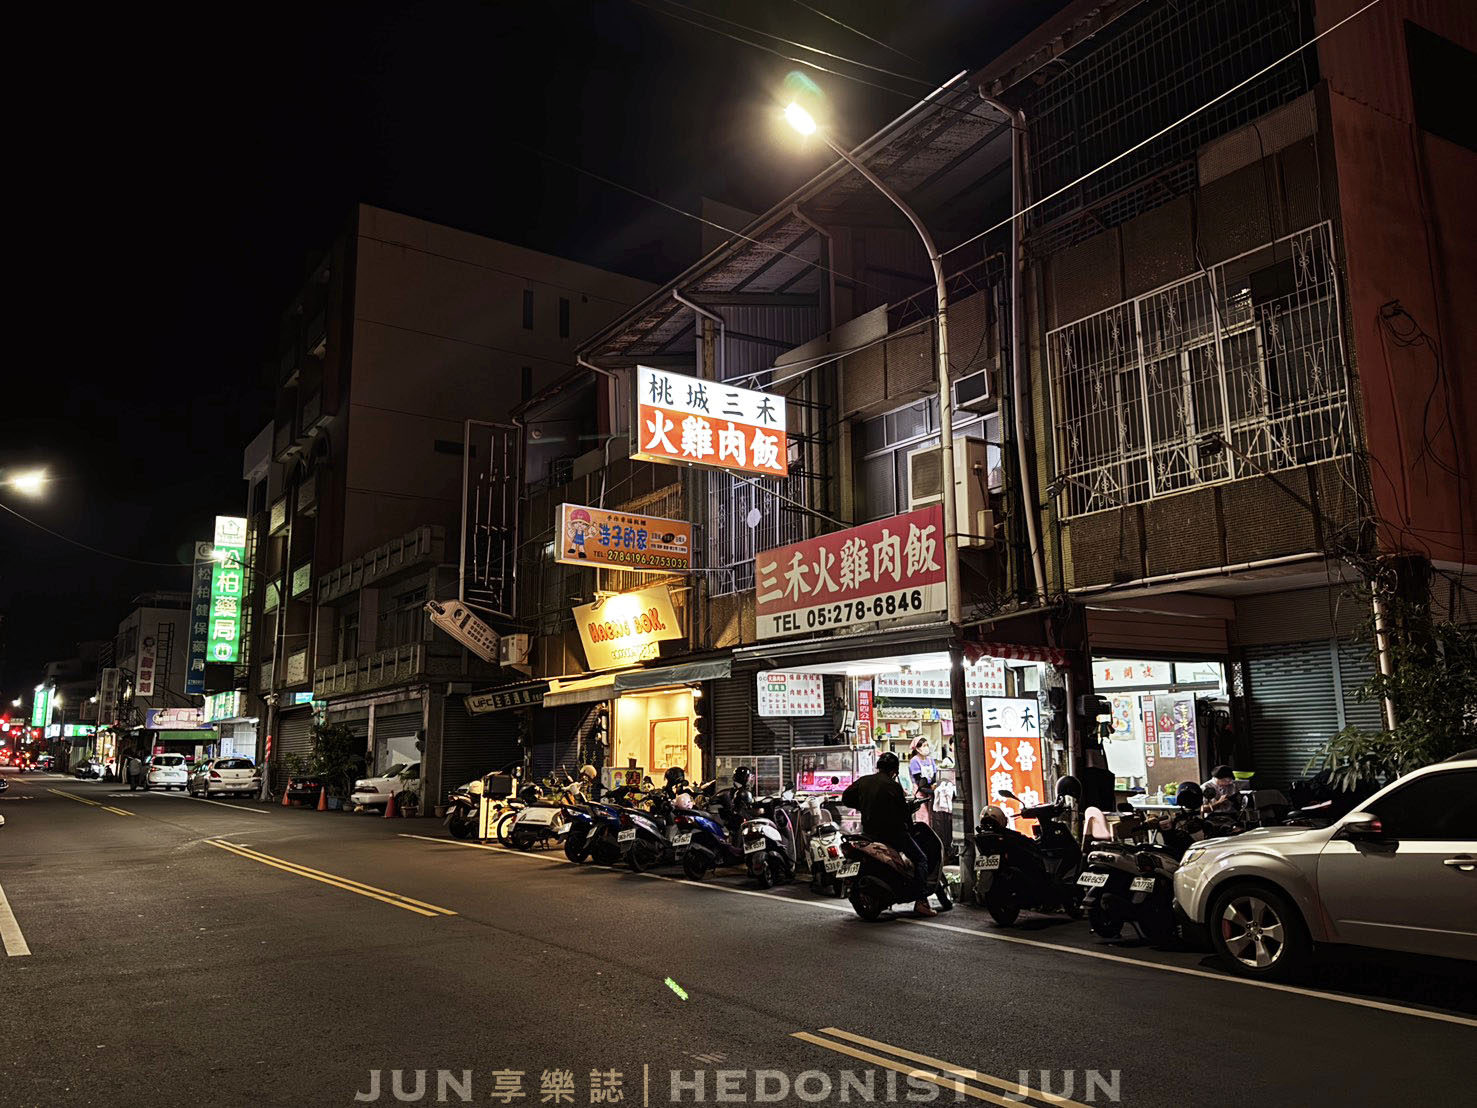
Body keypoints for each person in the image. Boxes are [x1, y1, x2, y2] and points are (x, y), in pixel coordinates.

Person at [842, 751, 936, 918]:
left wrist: (863, 804)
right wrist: (907, 825)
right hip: (893, 834)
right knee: (921, 859)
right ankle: (921, 901)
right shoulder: (893, 786)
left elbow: (846, 798)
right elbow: (903, 813)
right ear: (894, 771)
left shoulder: (864, 781)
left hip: (869, 834)